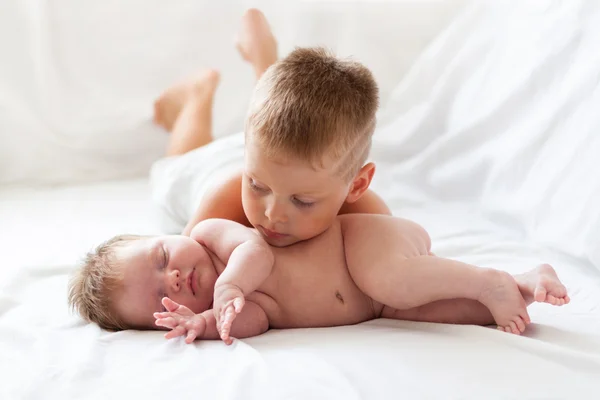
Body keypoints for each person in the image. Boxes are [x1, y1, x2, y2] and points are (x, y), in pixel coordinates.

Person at [68, 215, 570, 344]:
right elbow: (259, 322)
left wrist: (227, 288)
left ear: (170, 235)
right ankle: (525, 282)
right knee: (448, 313)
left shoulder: (211, 237)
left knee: (393, 280)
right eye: (161, 295)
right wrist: (206, 322)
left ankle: (486, 280)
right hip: (377, 305)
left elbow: (257, 250)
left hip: (363, 247)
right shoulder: (234, 306)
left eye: (161, 256)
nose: (174, 277)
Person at [149, 8, 390, 242]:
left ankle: (263, 57)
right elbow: (184, 261)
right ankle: (198, 93)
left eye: (302, 201)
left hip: (265, 158)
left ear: (356, 185)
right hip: (205, 169)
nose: (272, 214)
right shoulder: (222, 210)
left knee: (273, 116)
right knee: (183, 158)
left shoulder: (367, 215)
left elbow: (411, 264)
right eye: (256, 187)